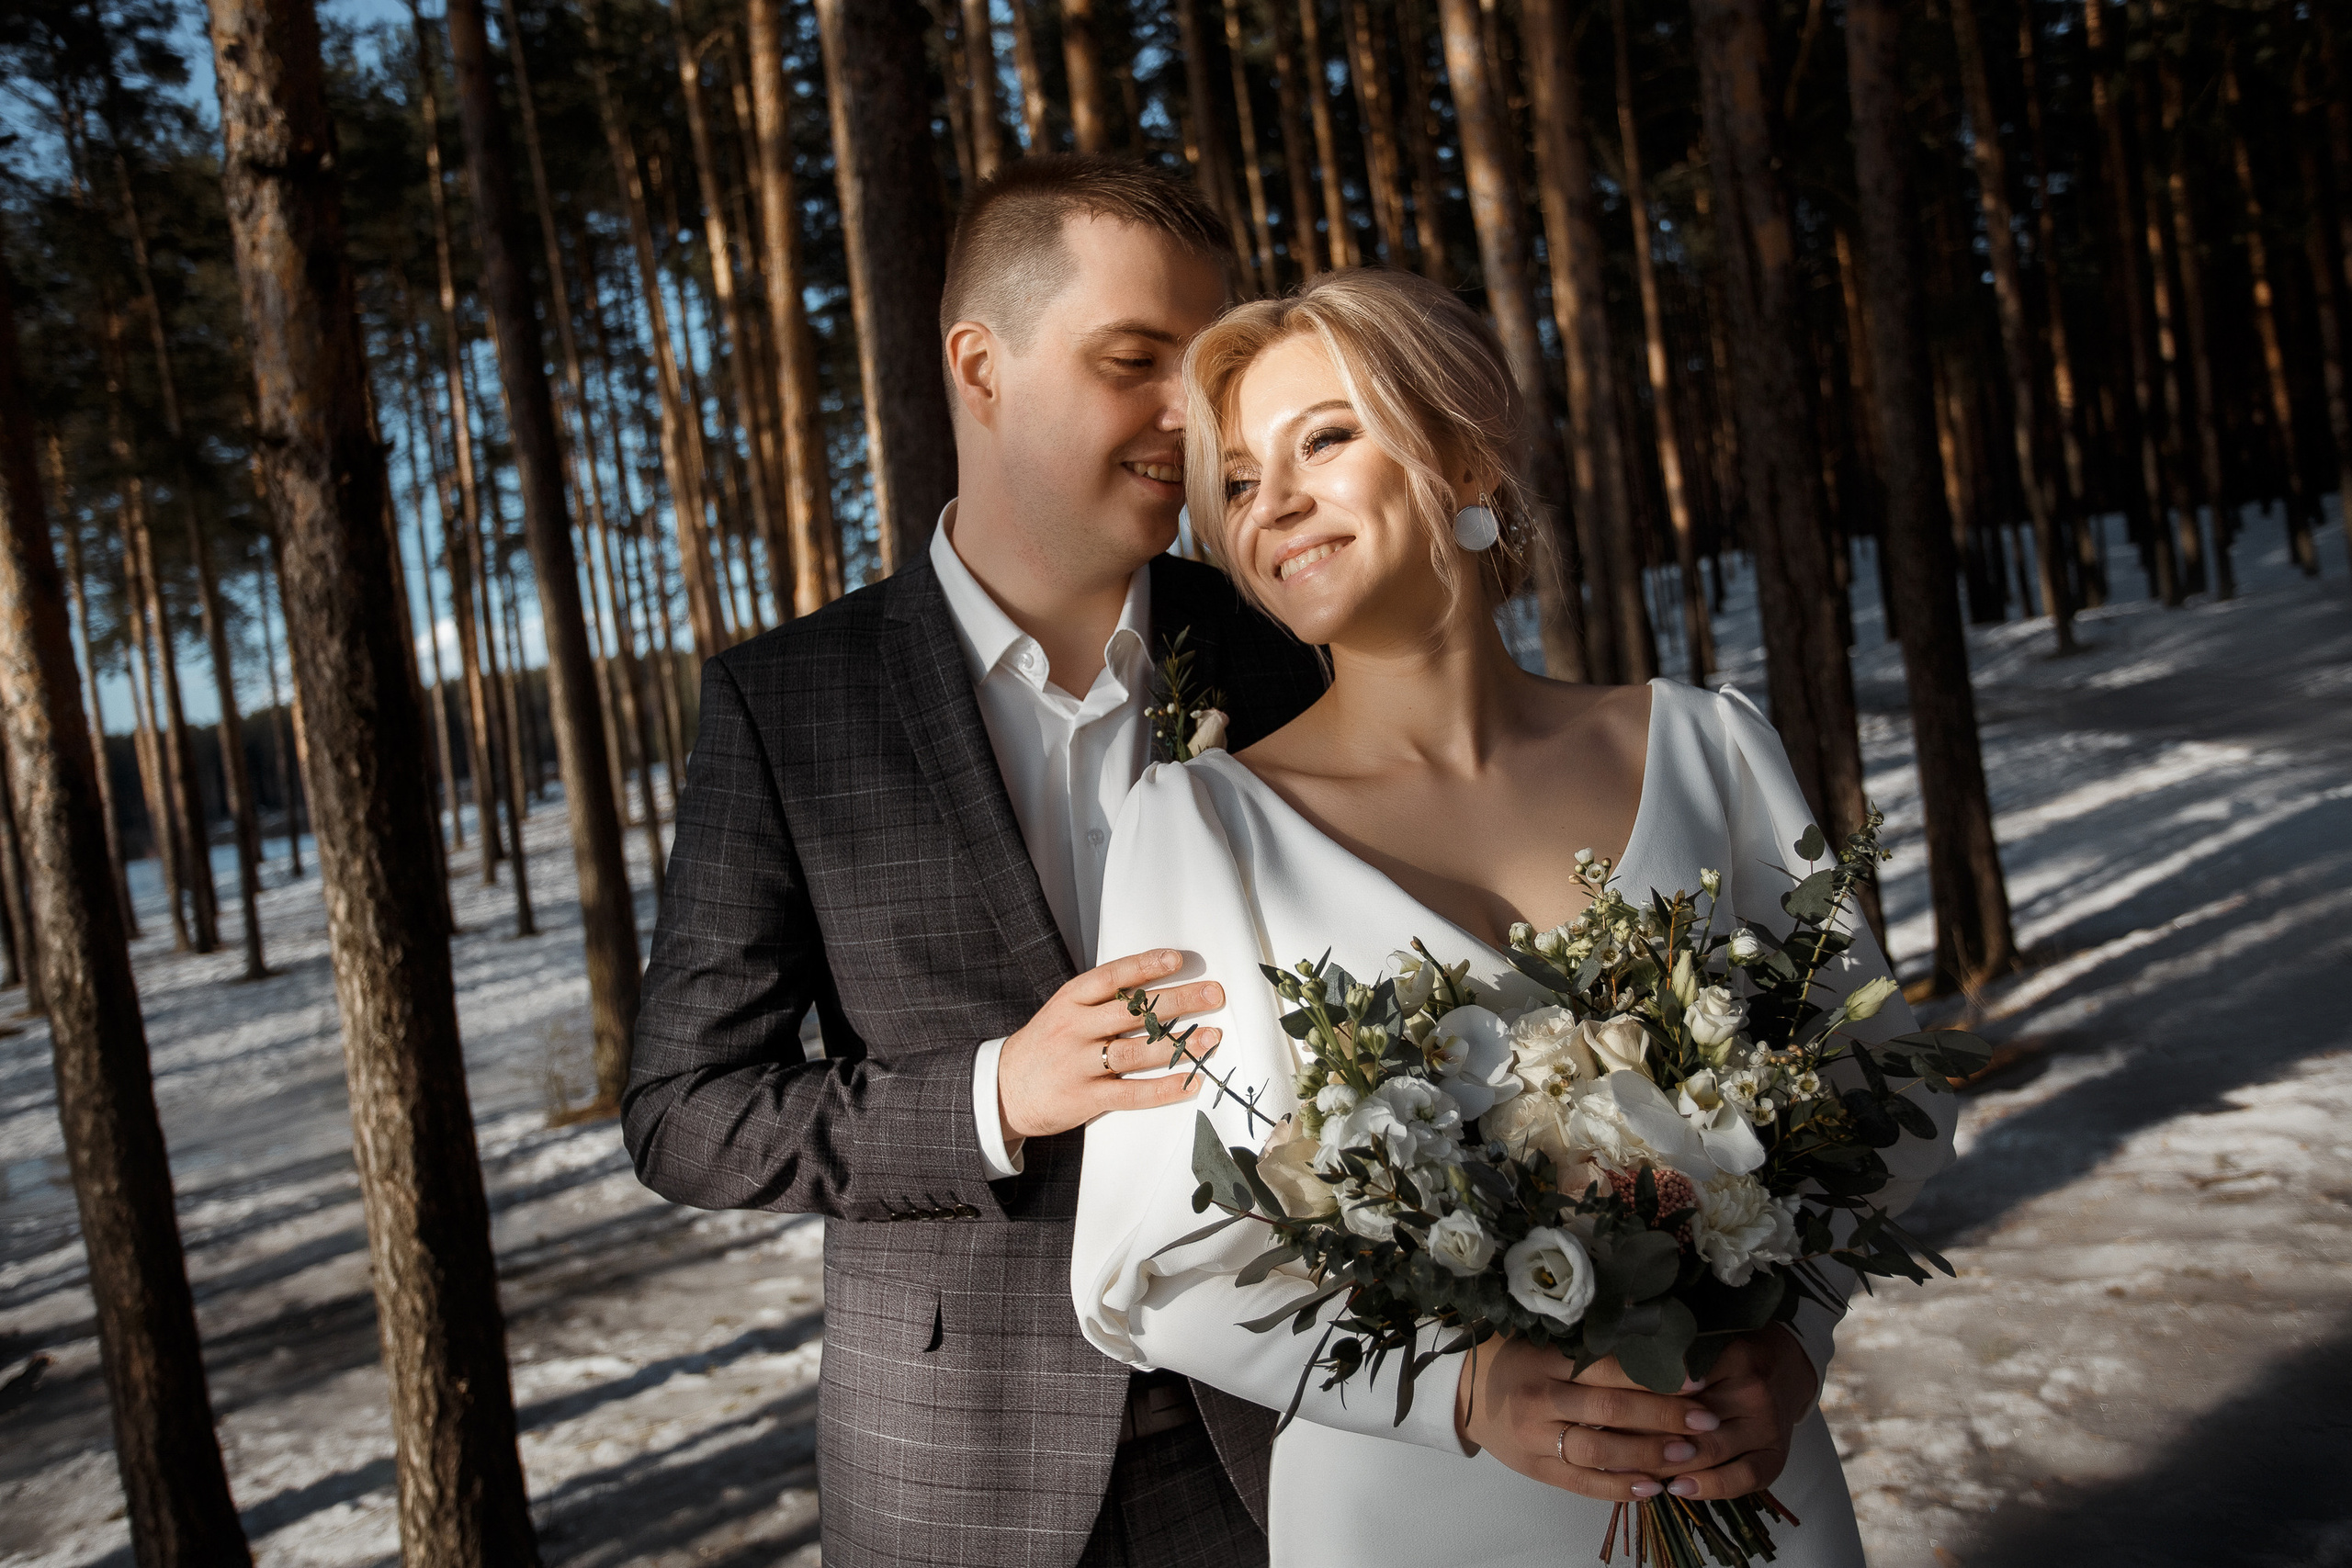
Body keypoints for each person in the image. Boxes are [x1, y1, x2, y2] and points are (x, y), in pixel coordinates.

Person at [1069, 269, 1958, 1565]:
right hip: (1407, 1514)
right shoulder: (1200, 826)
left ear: (1465, 457)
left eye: (1324, 438)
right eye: (1243, 481)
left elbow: (1892, 1100)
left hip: (1735, 1464)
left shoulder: (1708, 749)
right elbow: (1153, 1261)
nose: (1279, 505)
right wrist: (1459, 1391)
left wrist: (1790, 1343)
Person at [624, 157, 1325, 1568]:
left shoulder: (1280, 649)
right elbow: (683, 1111)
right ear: (980, 366)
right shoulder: (792, 702)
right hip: (957, 1472)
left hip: (1282, 1421)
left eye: (1208, 371)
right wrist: (999, 1093)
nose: (1188, 416)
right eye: (1136, 362)